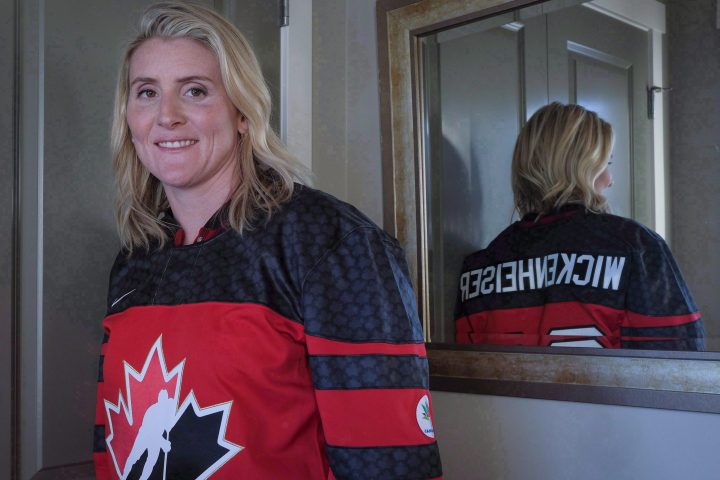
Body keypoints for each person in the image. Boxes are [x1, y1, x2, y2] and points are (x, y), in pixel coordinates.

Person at [93, 2, 442, 479]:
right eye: (146, 92)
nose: (166, 116)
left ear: (241, 112)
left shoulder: (331, 243)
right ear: (128, 117)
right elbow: (114, 441)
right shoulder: (136, 257)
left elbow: (391, 463)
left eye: (195, 91)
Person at [455, 102, 704, 350]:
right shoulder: (636, 247)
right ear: (579, 169)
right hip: (607, 390)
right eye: (605, 164)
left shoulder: (480, 266)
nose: (610, 180)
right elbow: (682, 365)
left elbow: (467, 373)